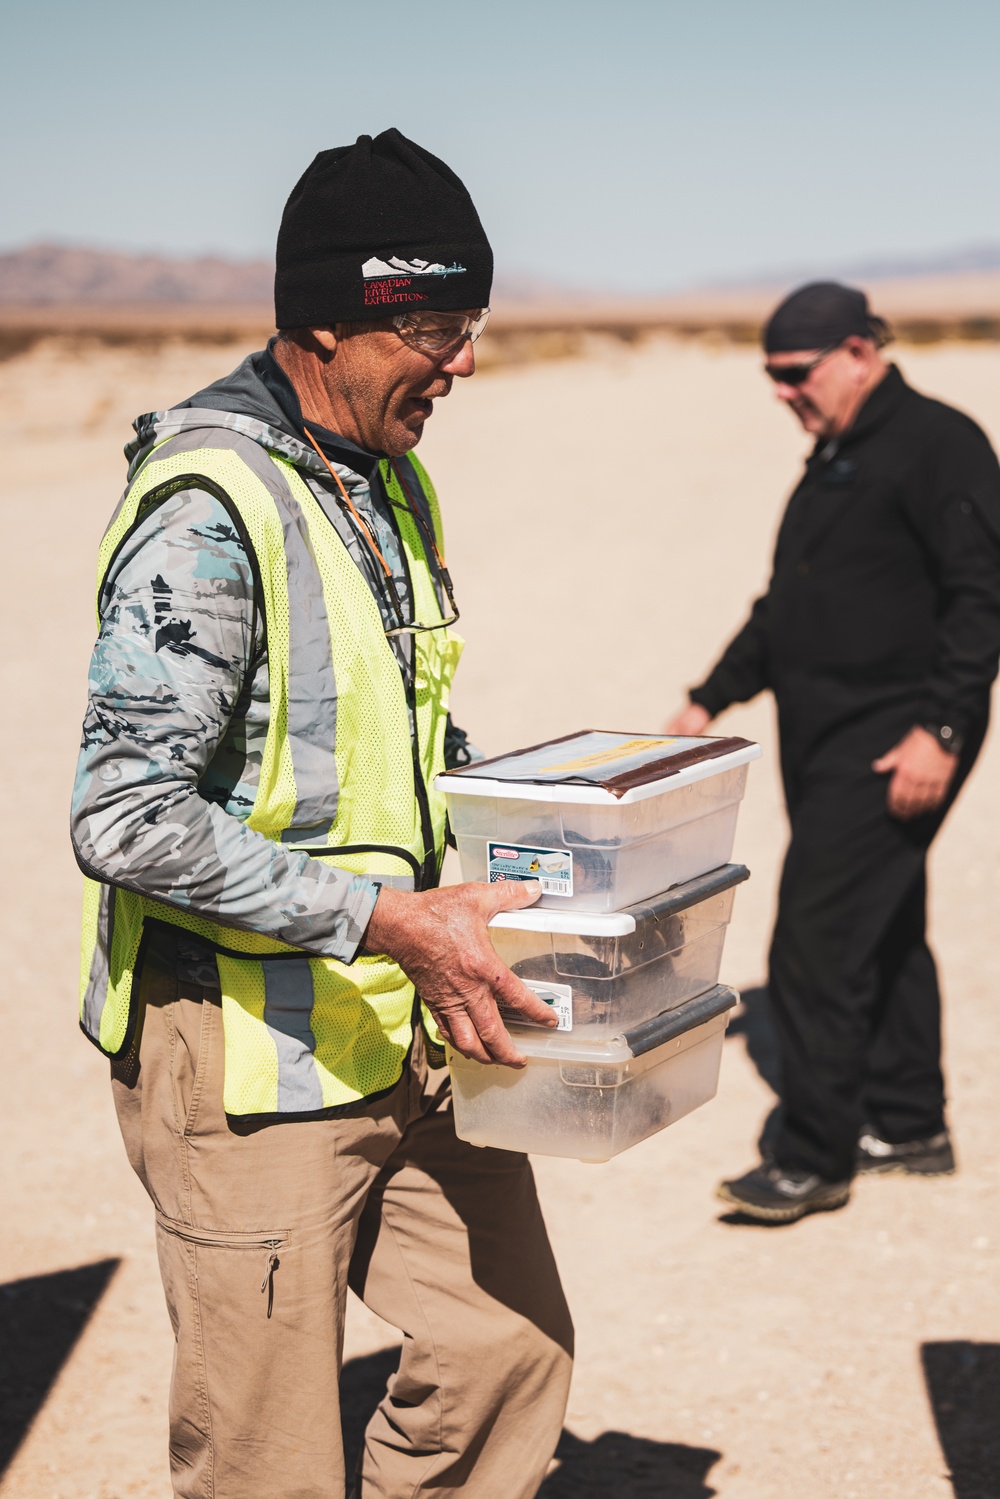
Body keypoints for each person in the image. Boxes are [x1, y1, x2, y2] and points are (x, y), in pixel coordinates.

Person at [72, 129, 573, 1499]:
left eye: (470, 321)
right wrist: (383, 915)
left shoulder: (391, 478)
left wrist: (538, 826)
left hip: (399, 1013)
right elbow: (124, 814)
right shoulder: (208, 509)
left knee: (508, 1346)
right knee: (266, 1456)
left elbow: (392, 732)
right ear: (324, 318)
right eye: (434, 324)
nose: (464, 359)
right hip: (244, 1061)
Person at [665, 281, 1000, 1224]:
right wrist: (709, 693)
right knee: (882, 922)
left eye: (794, 373)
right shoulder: (841, 451)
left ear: (858, 350)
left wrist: (942, 731)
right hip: (826, 738)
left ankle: (815, 1155)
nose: (782, 392)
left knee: (815, 937)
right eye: (770, 376)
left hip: (897, 738)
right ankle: (908, 1122)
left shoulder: (940, 443)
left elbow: (984, 601)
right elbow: (791, 604)